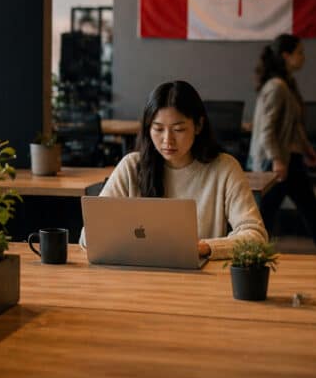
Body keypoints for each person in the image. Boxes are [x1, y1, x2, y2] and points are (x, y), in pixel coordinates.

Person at [83, 80, 266, 260]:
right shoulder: (131, 167)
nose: (167, 140)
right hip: (137, 278)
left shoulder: (224, 169)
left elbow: (255, 236)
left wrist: (205, 247)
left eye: (178, 129)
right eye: (158, 129)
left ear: (199, 126)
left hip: (199, 281)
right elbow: (88, 236)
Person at [248, 34, 316, 255]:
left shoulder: (287, 84)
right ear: (286, 56)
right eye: (299, 52)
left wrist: (306, 149)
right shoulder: (277, 87)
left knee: (308, 212)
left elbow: (293, 126)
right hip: (278, 161)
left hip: (290, 159)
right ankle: (249, 255)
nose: (303, 57)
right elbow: (267, 131)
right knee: (268, 215)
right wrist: (277, 160)